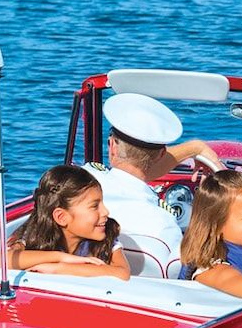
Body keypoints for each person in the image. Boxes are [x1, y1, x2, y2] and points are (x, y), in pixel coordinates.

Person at [86, 92, 220, 248]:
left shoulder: (82, 181)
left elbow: (129, 174)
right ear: (161, 154)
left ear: (112, 146)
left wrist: (194, 147)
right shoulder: (164, 224)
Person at [0, 164, 130, 280]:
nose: (106, 212)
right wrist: (61, 257)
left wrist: (60, 268)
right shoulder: (32, 235)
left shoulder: (107, 234)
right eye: (95, 206)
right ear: (62, 217)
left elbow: (122, 273)